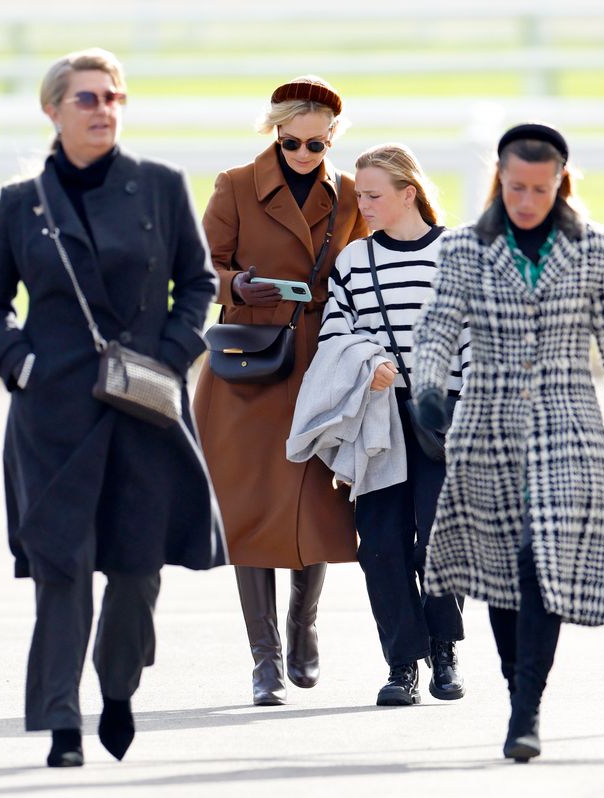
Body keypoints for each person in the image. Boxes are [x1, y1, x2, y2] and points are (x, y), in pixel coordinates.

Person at [0, 48, 224, 769]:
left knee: (138, 571)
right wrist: (18, 362)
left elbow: (197, 286)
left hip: (143, 409)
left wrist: (171, 359)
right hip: (53, 416)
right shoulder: (23, 203)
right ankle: (61, 722)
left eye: (113, 97)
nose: (104, 109)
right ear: (53, 110)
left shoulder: (160, 188)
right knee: (63, 567)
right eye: (87, 98)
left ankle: (116, 690)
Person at [412, 123, 604, 761]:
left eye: (539, 189)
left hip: (569, 428)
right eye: (516, 186)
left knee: (540, 566)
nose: (526, 200)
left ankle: (526, 710)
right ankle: (518, 681)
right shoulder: (466, 248)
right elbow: (437, 325)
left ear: (560, 184)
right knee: (501, 572)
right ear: (500, 177)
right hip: (486, 426)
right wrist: (428, 386)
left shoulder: (596, 248)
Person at [193, 76, 368, 706]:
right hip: (247, 367)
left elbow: (363, 270)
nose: (300, 155)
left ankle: (303, 626)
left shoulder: (348, 193)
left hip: (319, 364)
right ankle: (264, 658)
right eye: (290, 142)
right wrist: (240, 287)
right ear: (274, 132)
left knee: (315, 503)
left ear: (330, 141)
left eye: (315, 145)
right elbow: (201, 268)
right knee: (251, 509)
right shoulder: (235, 185)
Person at [318, 144, 470, 706]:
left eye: (375, 195)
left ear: (409, 193)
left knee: (437, 540)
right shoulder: (353, 262)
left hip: (445, 414)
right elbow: (336, 335)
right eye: (360, 195)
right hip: (378, 420)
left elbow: (480, 337)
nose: (365, 205)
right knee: (379, 545)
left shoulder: (460, 252)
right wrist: (368, 362)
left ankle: (444, 648)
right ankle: (402, 663)